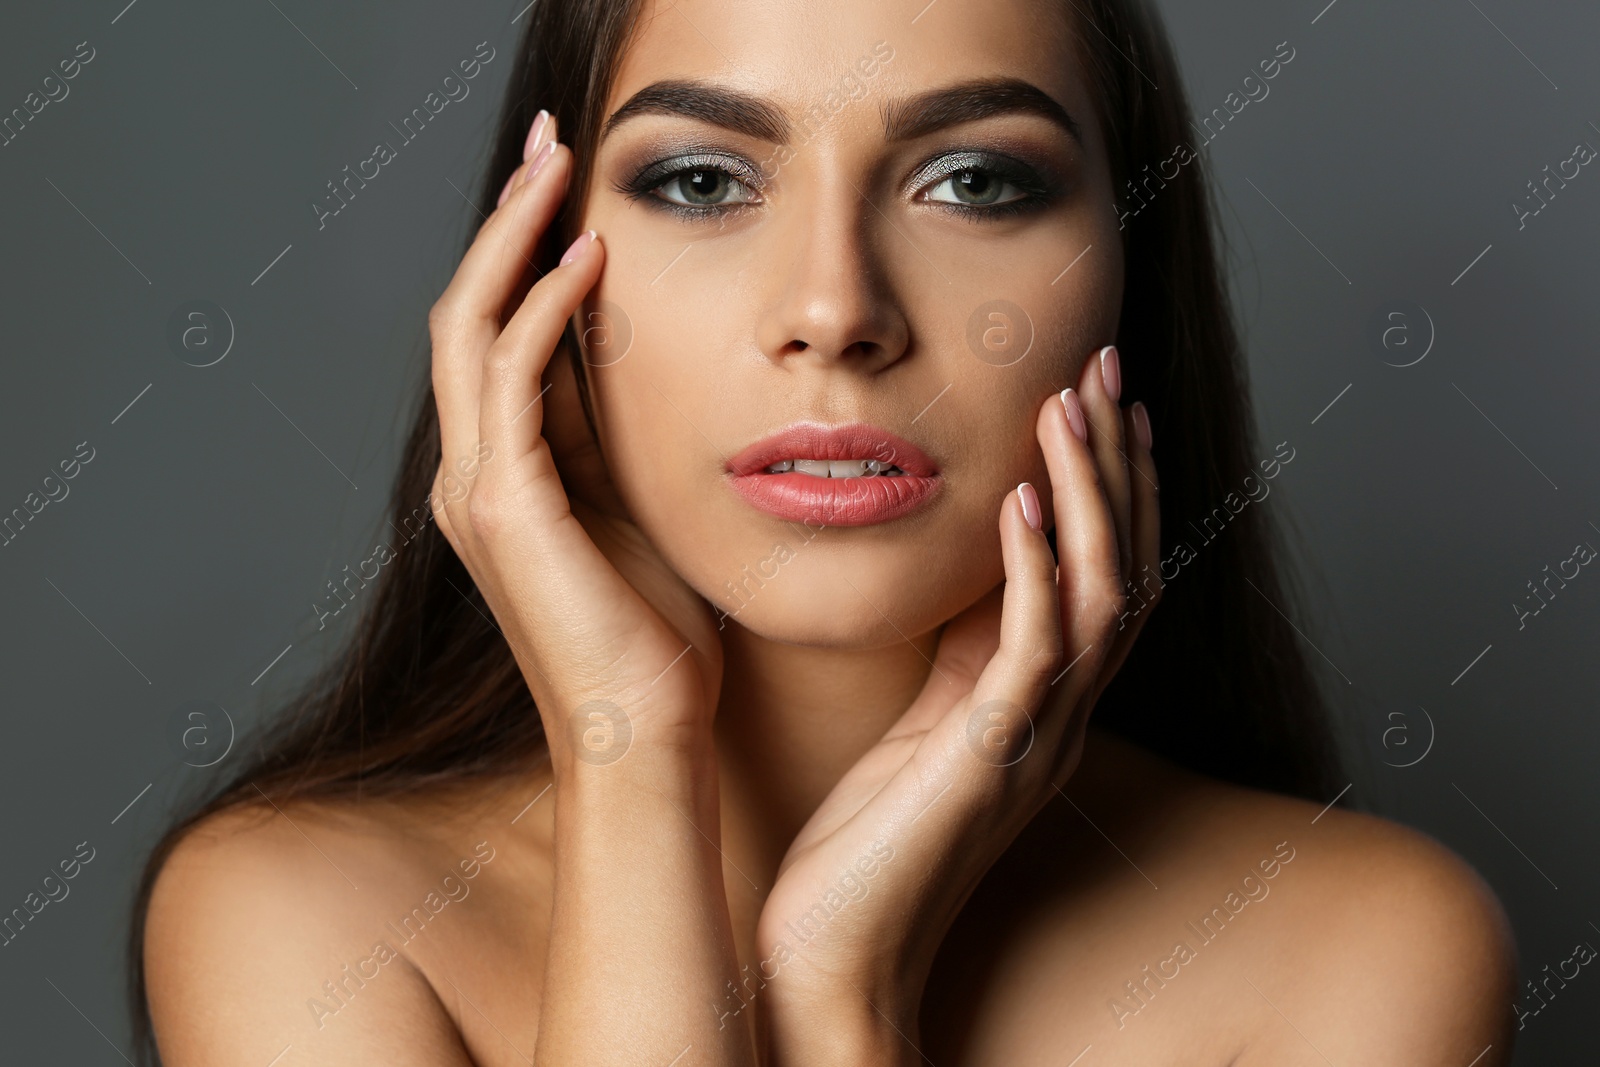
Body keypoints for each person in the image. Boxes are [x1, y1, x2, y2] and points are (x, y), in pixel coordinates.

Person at [132, 0, 1518, 1062]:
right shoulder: (303, 922)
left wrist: (841, 998)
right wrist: (631, 751)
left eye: (974, 180)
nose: (834, 307)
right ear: (535, 276)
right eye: (701, 182)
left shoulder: (1357, 949)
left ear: (1126, 275)